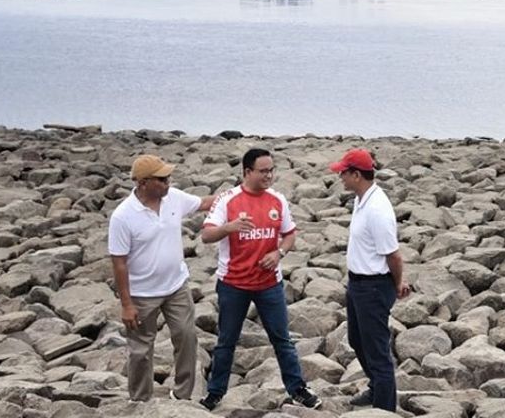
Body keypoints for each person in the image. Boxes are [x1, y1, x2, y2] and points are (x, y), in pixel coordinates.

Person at [198, 148, 321, 411]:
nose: (269, 175)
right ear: (247, 172)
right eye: (263, 171)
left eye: (271, 170)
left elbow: (289, 234)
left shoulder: (277, 200)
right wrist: (229, 228)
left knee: (282, 340)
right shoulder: (228, 200)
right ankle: (215, 393)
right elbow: (206, 236)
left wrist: (279, 253)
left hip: (269, 284)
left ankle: (298, 389)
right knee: (226, 341)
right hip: (233, 284)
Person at [108, 154, 216, 401]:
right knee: (140, 351)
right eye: (162, 179)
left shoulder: (174, 198)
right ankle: (140, 401)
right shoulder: (123, 216)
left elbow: (204, 203)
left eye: (168, 178)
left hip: (176, 287)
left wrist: (241, 194)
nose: (168, 183)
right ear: (143, 183)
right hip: (141, 294)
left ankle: (182, 395)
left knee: (187, 337)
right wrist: (126, 304)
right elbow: (119, 263)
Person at [330, 148, 411, 411]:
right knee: (357, 340)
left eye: (344, 172)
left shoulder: (377, 209)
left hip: (373, 286)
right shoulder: (361, 198)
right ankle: (376, 387)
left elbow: (394, 256)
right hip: (358, 283)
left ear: (356, 175)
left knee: (377, 352)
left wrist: (398, 283)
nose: (340, 176)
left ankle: (385, 409)